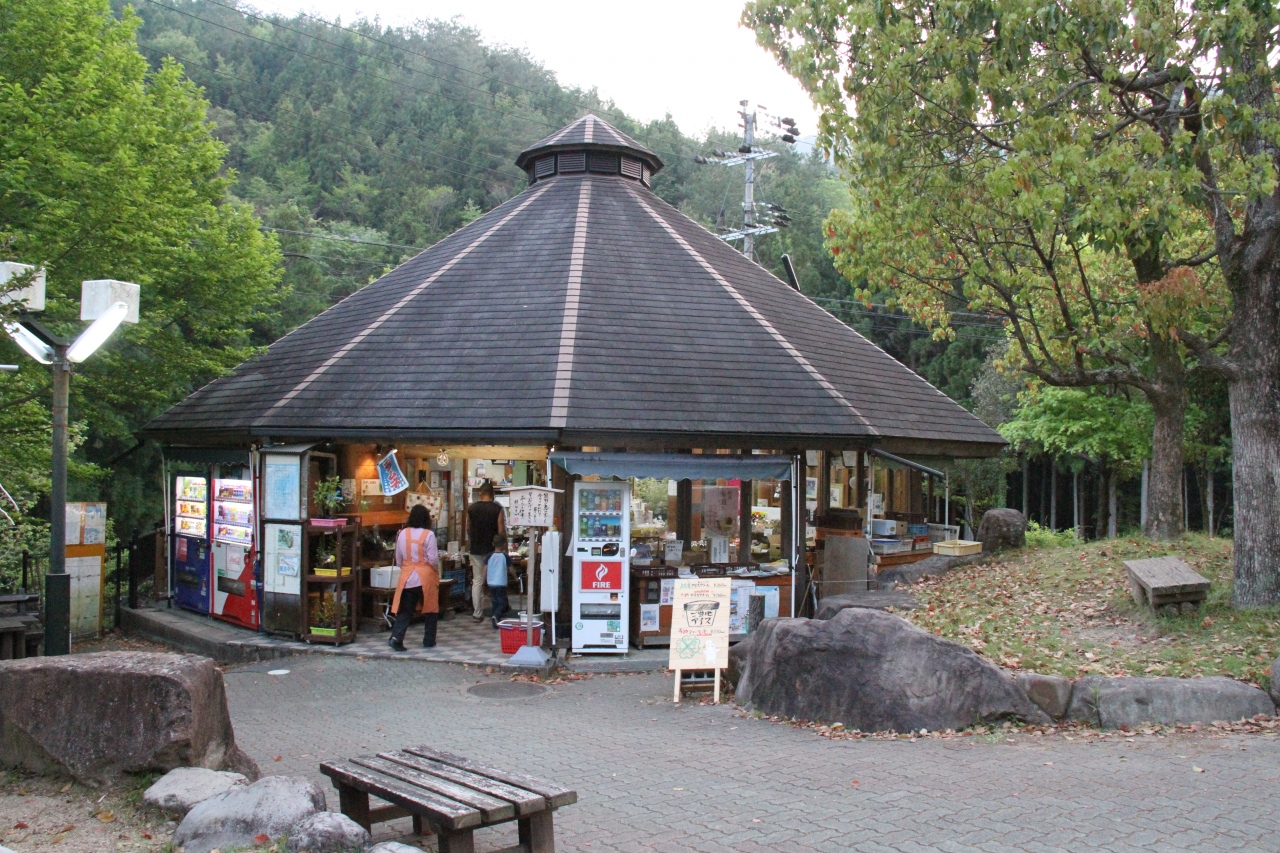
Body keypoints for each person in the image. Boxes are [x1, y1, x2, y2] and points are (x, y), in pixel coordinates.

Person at [389, 505, 440, 651]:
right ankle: (429, 640)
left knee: (405, 610)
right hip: (426, 576)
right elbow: (433, 559)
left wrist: (406, 567)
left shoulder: (402, 533)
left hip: (407, 577)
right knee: (431, 609)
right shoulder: (429, 535)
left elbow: (398, 558)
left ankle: (397, 637)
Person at [466, 481, 505, 621]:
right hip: (493, 550)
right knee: (495, 580)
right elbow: (501, 530)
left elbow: (468, 528)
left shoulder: (471, 508)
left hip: (475, 549)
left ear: (480, 494)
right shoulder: (497, 509)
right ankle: (497, 611)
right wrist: (503, 547)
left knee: (477, 581)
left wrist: (473, 540)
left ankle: (477, 613)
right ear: (492, 494)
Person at [487, 533, 510, 628]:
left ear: (493, 544)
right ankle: (496, 616)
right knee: (502, 602)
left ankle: (495, 618)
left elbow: (484, 568)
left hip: (491, 582)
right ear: (504, 545)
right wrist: (515, 577)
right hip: (501, 582)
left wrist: (483, 579)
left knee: (494, 601)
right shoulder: (505, 556)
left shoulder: (489, 556)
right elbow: (511, 568)